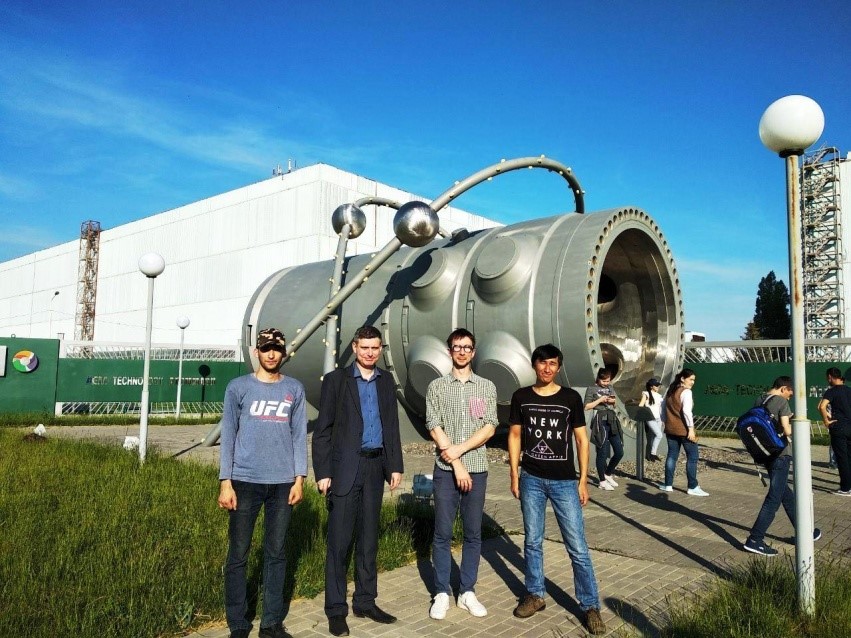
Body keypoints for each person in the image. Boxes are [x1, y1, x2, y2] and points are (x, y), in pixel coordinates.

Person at [508, 344, 607, 635]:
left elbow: (582, 440)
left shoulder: (570, 398)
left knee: (577, 547)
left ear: (559, 367)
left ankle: (590, 606)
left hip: (564, 482)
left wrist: (583, 480)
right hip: (531, 479)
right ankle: (535, 594)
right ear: (534, 365)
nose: (547, 368)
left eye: (552, 363)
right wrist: (514, 473)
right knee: (532, 541)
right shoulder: (521, 397)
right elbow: (515, 435)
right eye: (542, 363)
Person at [312, 325, 404, 637]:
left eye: (375, 348)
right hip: (344, 470)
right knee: (339, 543)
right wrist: (323, 472)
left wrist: (395, 465)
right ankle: (336, 610)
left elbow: (391, 425)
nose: (369, 353)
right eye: (364, 347)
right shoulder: (336, 381)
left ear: (381, 349)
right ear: (354, 348)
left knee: (368, 540)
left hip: (375, 467)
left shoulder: (385, 380)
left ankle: (365, 601)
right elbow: (323, 430)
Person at [218, 328, 307, 638]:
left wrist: (299, 479)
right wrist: (225, 481)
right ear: (256, 352)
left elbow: (299, 436)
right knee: (238, 554)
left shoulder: (294, 389)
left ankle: (270, 623)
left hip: (282, 484)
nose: (271, 354)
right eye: (266, 348)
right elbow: (228, 434)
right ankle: (238, 623)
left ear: (284, 353)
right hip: (244, 481)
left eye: (276, 349)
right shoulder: (238, 388)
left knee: (276, 553)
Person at [425, 328, 498, 621]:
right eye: (457, 347)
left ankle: (467, 591)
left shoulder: (486, 387)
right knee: (442, 532)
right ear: (449, 351)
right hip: (446, 471)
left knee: (472, 533)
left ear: (473, 351)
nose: (462, 352)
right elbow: (433, 424)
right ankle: (442, 592)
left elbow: (489, 427)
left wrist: (460, 451)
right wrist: (456, 463)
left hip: (477, 469)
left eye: (467, 347)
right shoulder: (437, 387)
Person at [744, 376, 823, 555]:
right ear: (783, 389)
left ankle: (806, 532)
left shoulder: (759, 399)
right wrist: (799, 425)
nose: (790, 396)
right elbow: (787, 430)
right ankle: (755, 539)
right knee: (774, 497)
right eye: (790, 393)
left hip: (767, 454)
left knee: (786, 495)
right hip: (781, 454)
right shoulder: (781, 401)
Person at [657, 368, 708, 496]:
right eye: (691, 379)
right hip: (684, 430)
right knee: (693, 457)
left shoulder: (670, 391)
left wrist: (665, 421)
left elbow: (662, 408)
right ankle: (692, 486)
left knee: (672, 456)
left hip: (670, 429)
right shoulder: (686, 392)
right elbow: (686, 411)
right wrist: (690, 429)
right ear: (682, 378)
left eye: (694, 380)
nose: (693, 382)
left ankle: (668, 485)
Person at [584, 368, 623, 490]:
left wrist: (613, 401)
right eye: (604, 381)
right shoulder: (591, 389)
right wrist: (600, 400)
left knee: (619, 451)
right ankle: (602, 481)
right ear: (598, 378)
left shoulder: (610, 387)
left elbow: (615, 404)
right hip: (599, 421)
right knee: (602, 452)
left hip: (612, 420)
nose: (606, 383)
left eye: (608, 381)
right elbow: (586, 406)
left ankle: (608, 474)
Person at [818, 367, 851, 496]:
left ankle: (845, 488)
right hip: (850, 426)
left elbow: (821, 406)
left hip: (839, 427)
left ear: (830, 377)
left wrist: (826, 421)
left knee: (842, 458)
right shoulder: (849, 390)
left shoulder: (831, 391)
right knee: (849, 457)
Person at [638, 378, 664, 462]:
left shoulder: (659, 396)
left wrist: (663, 419)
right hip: (650, 418)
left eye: (658, 385)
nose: (658, 387)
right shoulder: (646, 394)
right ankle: (653, 453)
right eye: (656, 385)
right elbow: (641, 405)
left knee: (653, 437)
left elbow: (660, 408)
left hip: (658, 418)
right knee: (659, 435)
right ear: (651, 386)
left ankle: (650, 455)